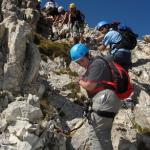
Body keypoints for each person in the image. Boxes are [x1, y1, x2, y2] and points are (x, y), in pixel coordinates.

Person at [70, 43, 121, 150]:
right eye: (78, 63)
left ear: (88, 55)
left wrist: (80, 81)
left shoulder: (97, 63)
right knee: (103, 135)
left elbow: (90, 86)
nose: (81, 64)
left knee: (96, 135)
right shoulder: (95, 65)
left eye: (82, 60)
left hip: (104, 98)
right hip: (110, 99)